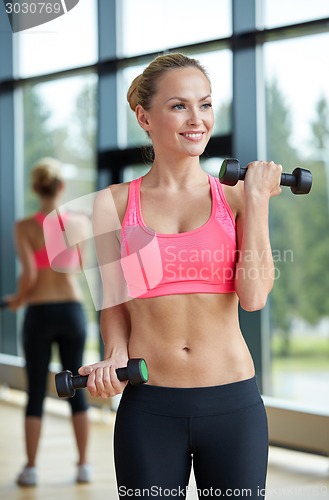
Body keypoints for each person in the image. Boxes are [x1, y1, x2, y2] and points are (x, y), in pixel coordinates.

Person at [79, 53, 282, 499]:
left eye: (205, 104)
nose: (197, 119)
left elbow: (253, 297)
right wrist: (113, 356)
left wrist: (259, 201)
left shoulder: (236, 199)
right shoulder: (110, 204)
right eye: (179, 106)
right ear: (144, 116)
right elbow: (113, 300)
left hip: (233, 403)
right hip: (150, 407)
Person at [7, 157, 92, 486]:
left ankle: (30, 468)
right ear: (61, 187)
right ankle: (84, 465)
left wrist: (17, 300)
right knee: (77, 388)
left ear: (34, 188)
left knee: (35, 393)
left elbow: (29, 275)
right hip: (71, 309)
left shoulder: (24, 227)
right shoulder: (80, 222)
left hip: (40, 311)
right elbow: (81, 267)